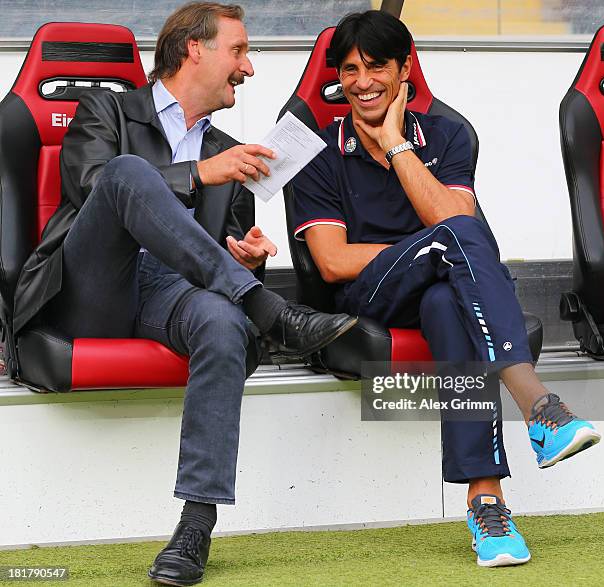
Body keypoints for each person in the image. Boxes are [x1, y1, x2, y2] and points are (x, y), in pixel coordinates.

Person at [13, 3, 358, 585]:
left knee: (222, 325)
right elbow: (95, 187)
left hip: (171, 292)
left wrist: (240, 251)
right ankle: (269, 311)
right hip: (92, 288)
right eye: (239, 50)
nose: (249, 68)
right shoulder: (109, 109)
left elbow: (217, 249)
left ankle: (196, 525)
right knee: (125, 173)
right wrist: (200, 174)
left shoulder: (228, 147)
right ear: (194, 49)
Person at [292, 10, 601, 568]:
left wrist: (396, 146)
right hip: (369, 300)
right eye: (350, 70)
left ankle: (488, 507)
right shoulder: (317, 150)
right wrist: (422, 249)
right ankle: (539, 407)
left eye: (376, 67)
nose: (362, 82)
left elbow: (457, 221)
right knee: (448, 243)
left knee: (446, 298)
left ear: (404, 68)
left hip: (442, 292)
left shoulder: (448, 134)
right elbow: (334, 262)